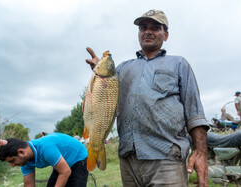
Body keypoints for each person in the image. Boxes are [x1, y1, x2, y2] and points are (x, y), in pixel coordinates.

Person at [86, 9, 209, 187]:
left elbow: (195, 113)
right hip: (128, 159)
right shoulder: (121, 68)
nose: (148, 31)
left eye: (155, 28)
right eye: (143, 27)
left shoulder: (179, 64)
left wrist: (201, 152)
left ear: (165, 35)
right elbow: (105, 97)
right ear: (139, 34)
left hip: (167, 158)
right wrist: (100, 73)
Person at [0, 133, 88, 187]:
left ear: (21, 152)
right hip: (62, 161)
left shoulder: (45, 148)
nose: (12, 165)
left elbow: (65, 172)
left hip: (78, 157)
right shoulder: (24, 161)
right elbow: (29, 185)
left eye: (12, 161)